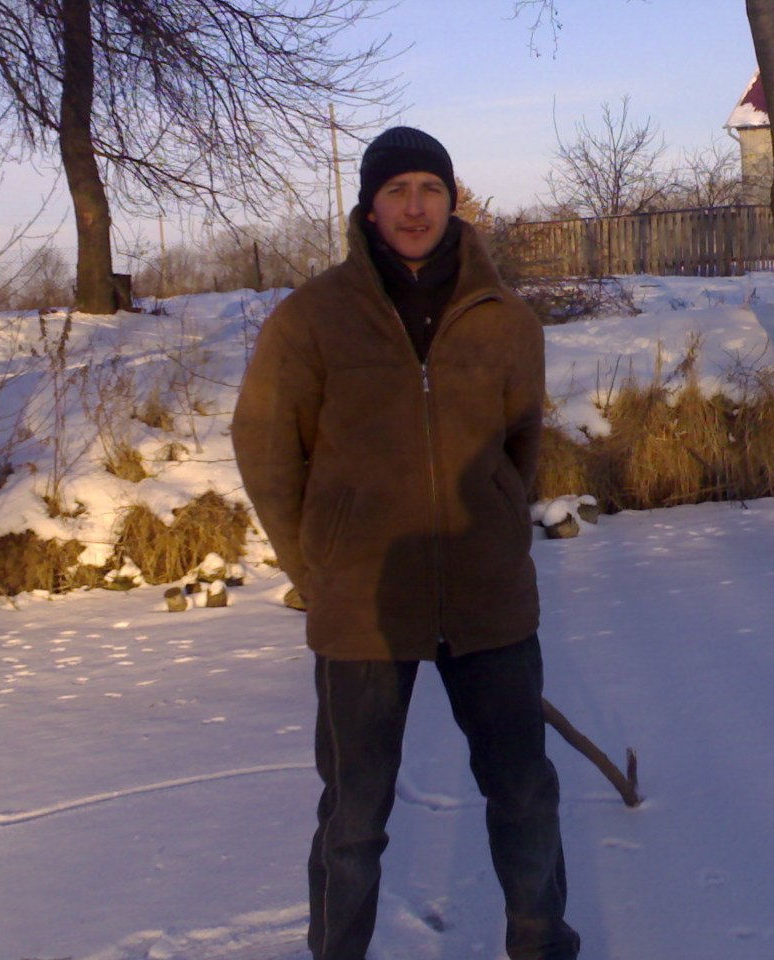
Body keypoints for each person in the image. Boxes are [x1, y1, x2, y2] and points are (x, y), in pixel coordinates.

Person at [231, 126, 580, 960]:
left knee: (524, 794)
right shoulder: (313, 317)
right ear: (369, 206)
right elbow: (267, 448)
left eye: (431, 188)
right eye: (397, 191)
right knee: (354, 815)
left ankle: (541, 946)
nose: (415, 207)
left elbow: (520, 441)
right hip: (363, 598)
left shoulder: (505, 319)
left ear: (453, 200)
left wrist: (497, 520)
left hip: (487, 594)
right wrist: (318, 566)